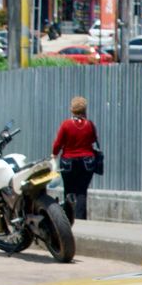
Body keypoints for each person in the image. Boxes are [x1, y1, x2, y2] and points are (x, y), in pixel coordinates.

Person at [51, 96, 99, 225]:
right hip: (87, 161)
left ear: (72, 109)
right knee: (82, 191)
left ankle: (68, 219)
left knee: (69, 190)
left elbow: (58, 143)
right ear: (84, 109)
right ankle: (81, 219)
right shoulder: (89, 124)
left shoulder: (66, 124)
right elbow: (93, 139)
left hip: (68, 162)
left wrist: (54, 155)